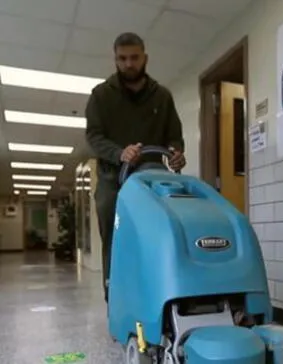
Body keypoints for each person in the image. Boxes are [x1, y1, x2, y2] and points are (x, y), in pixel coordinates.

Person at [85, 32, 186, 302]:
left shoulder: (162, 96)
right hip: (111, 176)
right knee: (110, 220)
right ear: (115, 60)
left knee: (163, 227)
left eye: (134, 58)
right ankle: (115, 296)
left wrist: (176, 151)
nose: (128, 64)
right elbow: (94, 136)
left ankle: (163, 292)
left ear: (145, 58)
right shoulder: (101, 95)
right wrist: (120, 153)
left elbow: (173, 135)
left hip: (151, 176)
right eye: (122, 59)